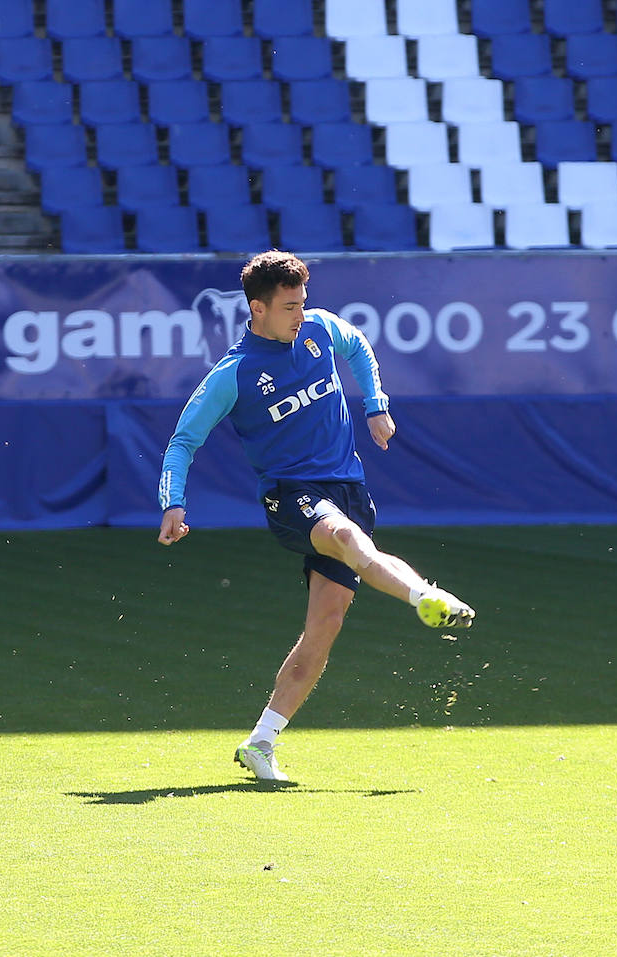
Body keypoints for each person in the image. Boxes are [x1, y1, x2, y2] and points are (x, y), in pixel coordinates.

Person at [158, 250, 475, 783]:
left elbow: (359, 346)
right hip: (291, 496)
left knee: (325, 625)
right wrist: (173, 503)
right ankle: (426, 598)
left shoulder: (321, 329)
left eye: (303, 303)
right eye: (288, 307)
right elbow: (182, 441)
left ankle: (260, 743)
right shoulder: (234, 374)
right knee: (347, 537)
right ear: (256, 309)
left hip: (347, 487)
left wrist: (375, 403)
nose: (301, 314)